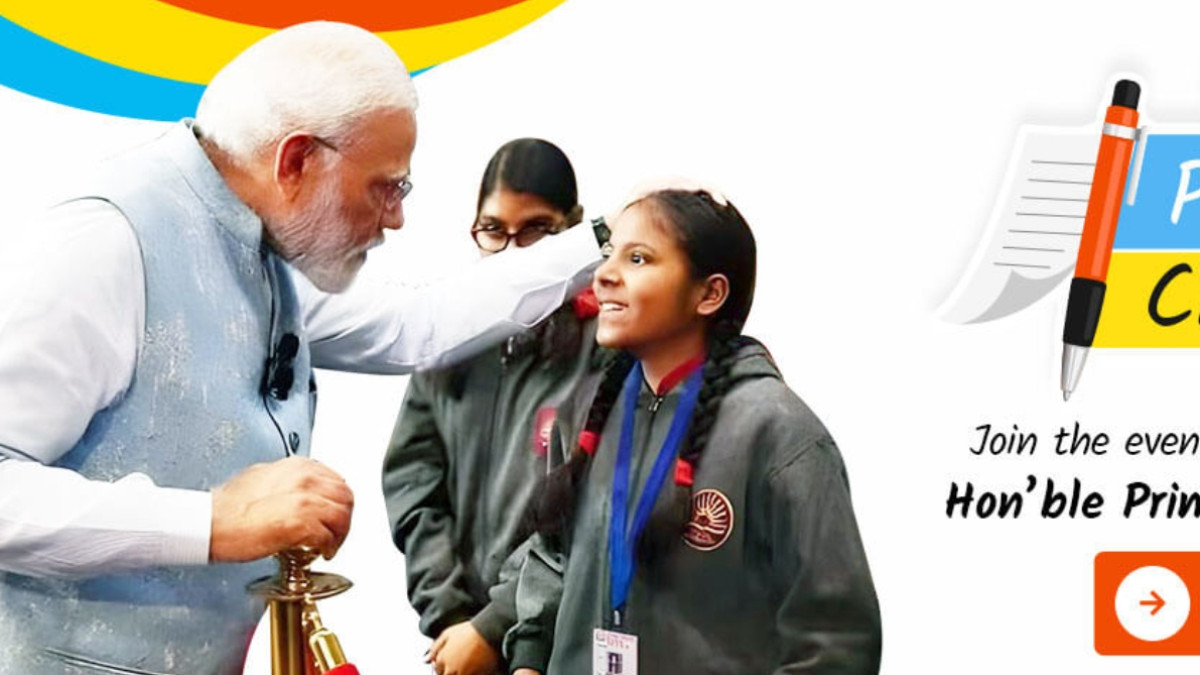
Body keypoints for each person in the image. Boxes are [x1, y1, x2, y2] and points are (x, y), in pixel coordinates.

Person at [0, 23, 604, 675]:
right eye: (386, 187)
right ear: (296, 162)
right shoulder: (106, 241)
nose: (396, 216)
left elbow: (418, 325)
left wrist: (605, 237)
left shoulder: (260, 248)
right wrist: (214, 520)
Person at [504, 189, 882, 674]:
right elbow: (551, 557)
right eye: (608, 254)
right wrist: (529, 661)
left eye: (638, 258)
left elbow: (835, 640)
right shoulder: (584, 414)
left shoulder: (779, 435)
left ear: (709, 294)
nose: (603, 275)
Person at [382, 138, 602, 675]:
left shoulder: (605, 347)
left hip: (557, 646)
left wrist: (495, 624)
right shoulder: (449, 338)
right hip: (459, 645)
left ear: (573, 229)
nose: (512, 253)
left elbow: (586, 514)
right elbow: (413, 484)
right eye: (494, 230)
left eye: (536, 230)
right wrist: (451, 618)